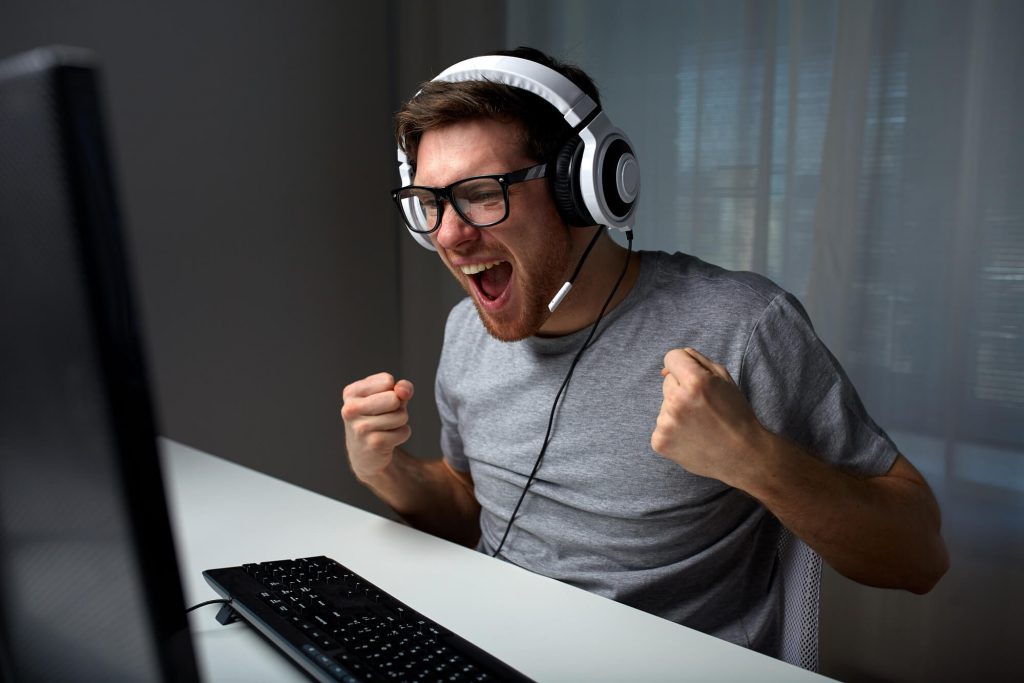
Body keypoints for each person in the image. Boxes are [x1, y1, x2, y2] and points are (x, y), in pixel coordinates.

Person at [340, 46, 948, 657]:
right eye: (430, 202)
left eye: (479, 192)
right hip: (485, 652)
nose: (447, 233)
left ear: (584, 186)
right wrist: (386, 470)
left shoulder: (743, 325)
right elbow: (475, 514)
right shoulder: (466, 331)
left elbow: (919, 557)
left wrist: (754, 460)